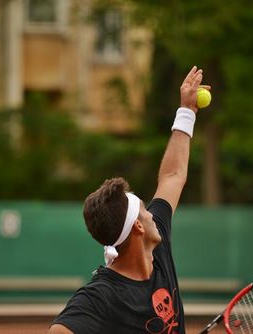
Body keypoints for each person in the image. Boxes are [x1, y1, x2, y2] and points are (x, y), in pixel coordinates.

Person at [49, 66, 210, 334]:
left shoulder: (157, 245)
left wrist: (187, 112)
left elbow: (172, 176)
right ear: (138, 227)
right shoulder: (100, 296)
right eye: (145, 211)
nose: (152, 214)